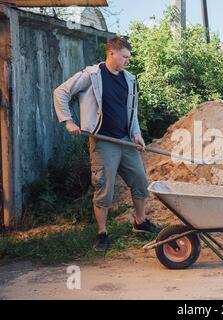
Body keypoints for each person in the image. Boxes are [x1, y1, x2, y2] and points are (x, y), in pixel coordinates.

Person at [53, 36, 161, 252]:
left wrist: (137, 133)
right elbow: (61, 92)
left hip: (126, 140)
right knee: (104, 187)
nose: (127, 61)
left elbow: (132, 111)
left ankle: (140, 222)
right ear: (111, 53)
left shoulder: (129, 79)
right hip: (104, 141)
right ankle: (102, 233)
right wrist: (68, 121)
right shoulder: (91, 75)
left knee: (140, 180)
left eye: (128, 57)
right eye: (124, 57)